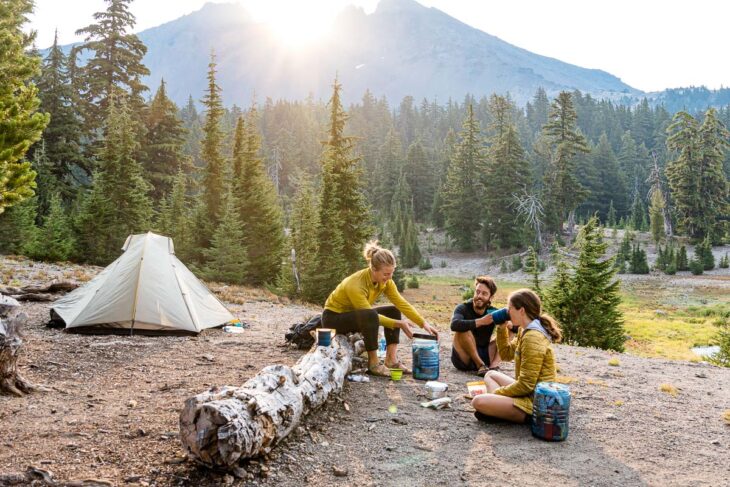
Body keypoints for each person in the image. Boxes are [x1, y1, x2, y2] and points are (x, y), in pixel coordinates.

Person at [321, 240, 439, 376]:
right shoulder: (355, 284)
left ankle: (391, 360)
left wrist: (423, 323)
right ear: (373, 269)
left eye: (391, 273)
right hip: (333, 319)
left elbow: (401, 303)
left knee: (393, 310)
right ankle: (374, 364)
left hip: (355, 315)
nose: (389, 278)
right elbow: (371, 316)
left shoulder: (386, 282)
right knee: (371, 315)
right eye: (386, 274)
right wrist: (398, 324)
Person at [471, 288, 561, 424]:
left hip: (536, 403)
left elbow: (526, 385)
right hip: (530, 392)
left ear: (522, 310)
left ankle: (517, 415)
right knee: (489, 375)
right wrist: (501, 328)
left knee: (478, 401)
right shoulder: (524, 330)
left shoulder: (533, 337)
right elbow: (506, 354)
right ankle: (498, 409)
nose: (508, 312)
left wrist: (497, 393)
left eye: (510, 308)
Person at [450, 276, 514, 376]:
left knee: (508, 328)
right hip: (464, 358)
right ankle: (480, 365)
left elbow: (515, 328)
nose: (479, 296)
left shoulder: (493, 312)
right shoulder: (463, 308)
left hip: (485, 353)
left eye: (484, 293)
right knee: (463, 328)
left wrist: (508, 325)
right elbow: (454, 325)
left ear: (491, 297)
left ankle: (494, 365)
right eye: (477, 292)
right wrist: (481, 321)